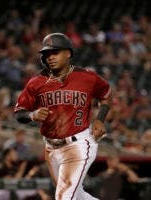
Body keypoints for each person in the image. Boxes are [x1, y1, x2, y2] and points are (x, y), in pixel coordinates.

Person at [14, 33, 112, 199]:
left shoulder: (87, 77)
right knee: (77, 195)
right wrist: (32, 115)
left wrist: (100, 119)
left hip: (79, 143)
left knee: (63, 196)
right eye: (46, 54)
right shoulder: (36, 82)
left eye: (55, 52)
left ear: (68, 53)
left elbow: (106, 95)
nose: (50, 57)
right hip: (51, 148)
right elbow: (19, 113)